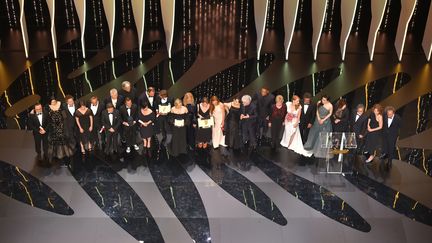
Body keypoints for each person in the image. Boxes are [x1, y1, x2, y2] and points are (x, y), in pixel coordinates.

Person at [46, 98, 74, 164]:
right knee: (55, 139)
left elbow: (64, 116)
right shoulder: (47, 108)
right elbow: (47, 117)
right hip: (53, 126)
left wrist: (64, 125)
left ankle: (64, 153)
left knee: (62, 139)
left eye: (54, 101)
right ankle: (56, 154)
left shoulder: (60, 105)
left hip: (61, 126)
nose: (53, 103)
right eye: (52, 102)